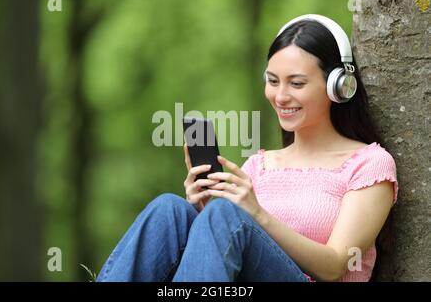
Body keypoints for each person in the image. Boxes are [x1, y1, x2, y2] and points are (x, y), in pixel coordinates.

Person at [96, 14, 398, 282]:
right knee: (172, 209)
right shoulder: (258, 166)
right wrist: (204, 209)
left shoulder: (369, 164)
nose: (280, 96)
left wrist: (255, 213)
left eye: (296, 83)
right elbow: (231, 245)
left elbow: (334, 267)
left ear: (338, 86)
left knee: (226, 216)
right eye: (273, 81)